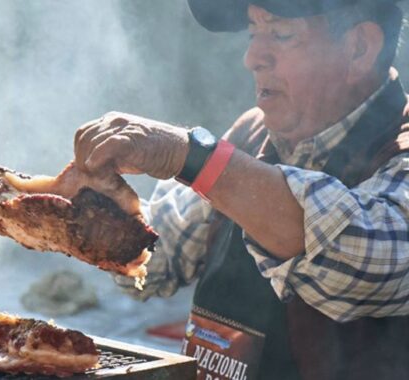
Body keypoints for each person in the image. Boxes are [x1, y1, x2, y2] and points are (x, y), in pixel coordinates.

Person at [73, 1, 409, 379]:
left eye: (281, 34)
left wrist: (188, 156)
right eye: (254, 32)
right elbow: (157, 261)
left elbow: (355, 262)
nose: (252, 58)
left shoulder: (400, 157)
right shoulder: (253, 135)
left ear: (359, 48)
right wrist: (83, 206)